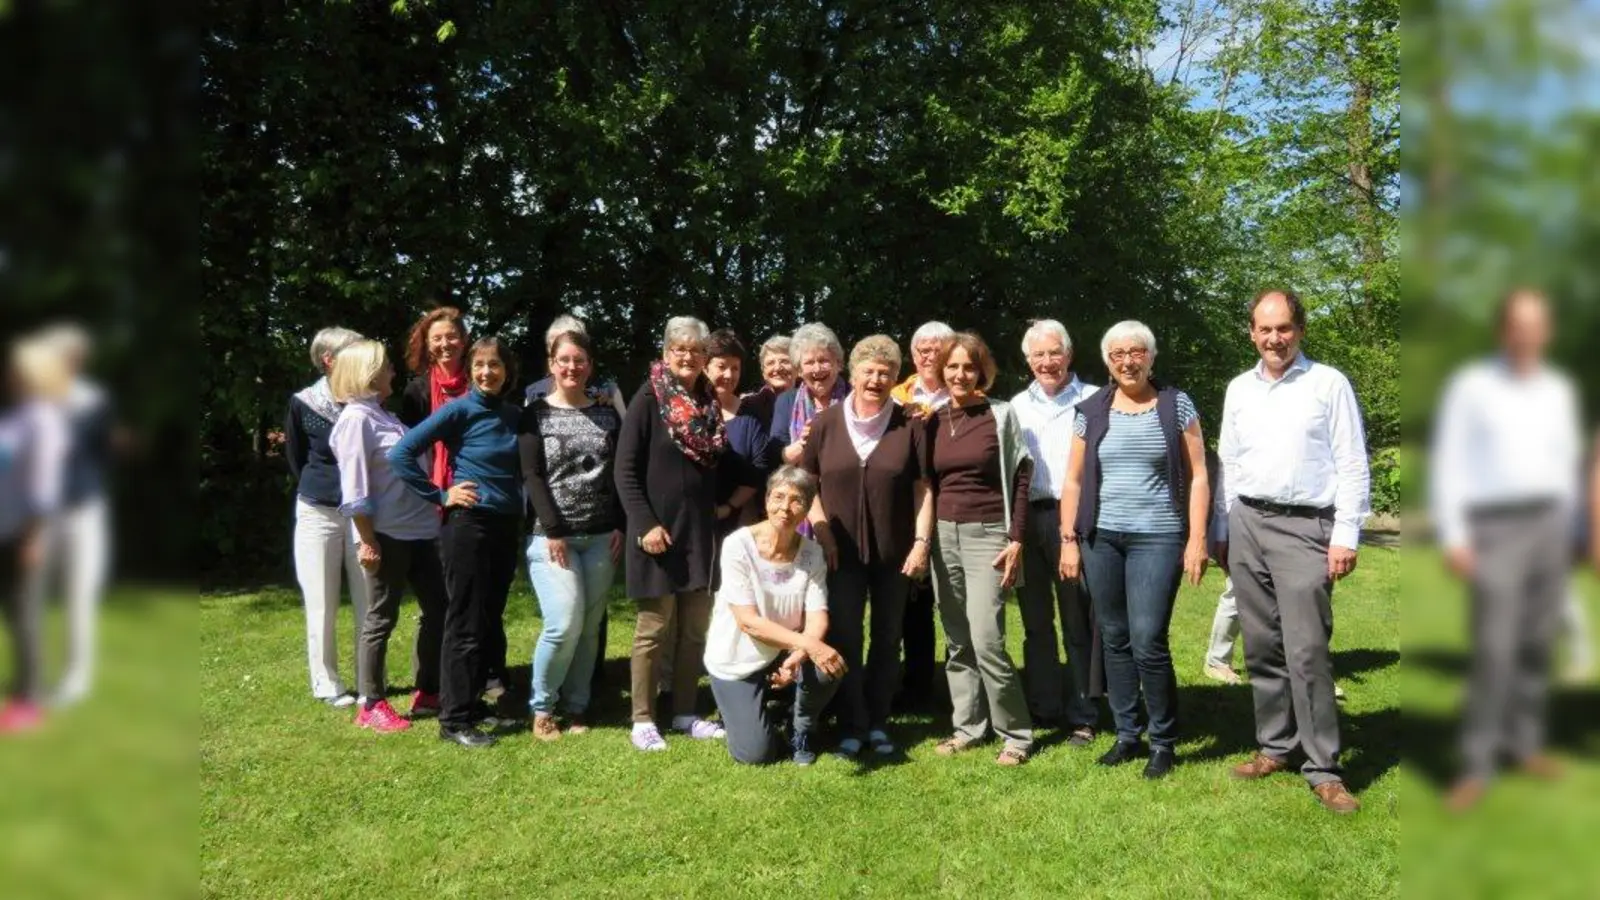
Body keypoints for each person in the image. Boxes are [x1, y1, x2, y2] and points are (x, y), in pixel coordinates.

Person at [1219, 289, 1369, 815]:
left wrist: (1346, 533)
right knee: (1260, 646)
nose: (1274, 338)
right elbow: (1229, 461)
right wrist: (1227, 525)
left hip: (1308, 527)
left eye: (1283, 328)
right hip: (1248, 524)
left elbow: (1352, 461)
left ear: (1300, 330)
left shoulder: (1328, 384)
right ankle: (1275, 746)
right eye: (1265, 329)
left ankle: (1323, 766)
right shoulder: (1239, 388)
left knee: (1307, 650)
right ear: (1251, 332)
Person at [1429, 288, 1577, 812]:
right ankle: (1476, 764)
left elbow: (1565, 463)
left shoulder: (1557, 389)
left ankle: (1525, 744)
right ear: (1504, 330)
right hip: (1495, 528)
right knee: (1494, 650)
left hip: (1550, 524)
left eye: (1539, 325)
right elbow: (1450, 461)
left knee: (1537, 646)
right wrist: (1454, 534)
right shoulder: (1474, 386)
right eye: (1521, 324)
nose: (1529, 334)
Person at [1058, 321, 1210, 780]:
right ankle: (1128, 735)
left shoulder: (1175, 405)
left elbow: (1199, 474)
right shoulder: (1091, 410)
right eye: (1119, 353)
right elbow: (1073, 479)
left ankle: (1163, 741)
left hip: (1158, 538)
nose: (1128, 360)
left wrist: (1197, 538)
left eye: (1137, 352)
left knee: (1147, 639)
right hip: (1101, 538)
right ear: (1107, 361)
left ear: (1151, 357)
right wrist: (1069, 539)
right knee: (1113, 636)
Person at [391, 336, 524, 749]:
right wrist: (441, 494)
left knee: (488, 617)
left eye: (495, 365)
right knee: (464, 621)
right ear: (470, 370)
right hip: (468, 524)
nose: (488, 372)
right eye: (480, 365)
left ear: (507, 371)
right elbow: (402, 453)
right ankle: (453, 721)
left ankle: (469, 703)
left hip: (505, 526)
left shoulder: (513, 415)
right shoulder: (458, 409)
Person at [802, 335, 932, 757]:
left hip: (895, 553)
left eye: (885, 372)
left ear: (896, 378)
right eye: (868, 370)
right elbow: (808, 485)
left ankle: (878, 721)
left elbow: (923, 489)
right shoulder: (824, 424)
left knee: (887, 636)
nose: (876, 379)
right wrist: (821, 531)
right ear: (852, 373)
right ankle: (851, 722)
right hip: (840, 552)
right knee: (846, 636)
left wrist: (921, 543)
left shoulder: (910, 423)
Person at [921, 332, 1035, 766]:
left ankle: (1016, 735)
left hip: (989, 534)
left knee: (988, 639)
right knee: (957, 640)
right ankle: (968, 727)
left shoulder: (1000, 415)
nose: (960, 374)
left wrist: (1016, 538)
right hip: (943, 535)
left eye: (969, 366)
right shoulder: (931, 420)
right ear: (941, 371)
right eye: (952, 366)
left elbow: (1023, 476)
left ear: (981, 371)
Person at [615, 316, 728, 751]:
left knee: (694, 631)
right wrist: (644, 524)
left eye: (696, 350)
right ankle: (642, 719)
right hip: (656, 534)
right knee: (653, 629)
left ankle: (684, 712)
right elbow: (625, 472)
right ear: (665, 353)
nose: (688, 356)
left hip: (699, 533)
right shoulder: (648, 398)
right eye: (679, 349)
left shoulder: (708, 401)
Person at [328, 340, 448, 733]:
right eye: (386, 367)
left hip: (421, 530)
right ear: (367, 373)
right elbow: (355, 488)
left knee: (438, 609)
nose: (393, 373)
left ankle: (428, 689)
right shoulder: (355, 421)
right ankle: (372, 703)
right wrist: (366, 539)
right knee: (381, 617)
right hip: (386, 534)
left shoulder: (383, 416)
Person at [519, 329, 624, 741]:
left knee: (590, 625)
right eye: (563, 360)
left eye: (579, 360)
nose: (571, 367)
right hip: (551, 538)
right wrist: (555, 530)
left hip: (601, 536)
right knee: (563, 622)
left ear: (590, 366)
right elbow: (532, 475)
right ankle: (542, 707)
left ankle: (577, 705)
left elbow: (618, 474)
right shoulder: (535, 415)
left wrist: (621, 524)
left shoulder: (606, 413)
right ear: (551, 364)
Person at [704, 467, 846, 765]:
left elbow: (817, 617)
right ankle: (747, 710)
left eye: (796, 501)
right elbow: (748, 623)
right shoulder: (738, 546)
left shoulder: (812, 554)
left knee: (828, 665)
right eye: (778, 496)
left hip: (784, 653)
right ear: (766, 499)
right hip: (736, 658)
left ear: (807, 509)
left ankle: (801, 729)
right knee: (756, 754)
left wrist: (800, 653)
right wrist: (807, 645)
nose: (785, 507)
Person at [1008, 319, 1101, 744]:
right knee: (1035, 621)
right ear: (1028, 360)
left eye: (1054, 353)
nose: (1047, 362)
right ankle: (1044, 705)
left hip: (1075, 520)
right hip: (1028, 519)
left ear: (1069, 354)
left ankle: (1083, 710)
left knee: (1077, 618)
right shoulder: (1015, 406)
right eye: (1038, 355)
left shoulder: (1095, 399)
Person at [24, 324, 113, 707]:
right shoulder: (35, 403)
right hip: (42, 513)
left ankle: (76, 679)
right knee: (32, 595)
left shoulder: (94, 400)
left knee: (80, 595)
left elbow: (97, 455)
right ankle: (33, 676)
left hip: (84, 510)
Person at [284, 326, 369, 707]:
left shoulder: (368, 399)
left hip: (363, 514)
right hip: (318, 511)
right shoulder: (303, 403)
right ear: (329, 360)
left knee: (370, 598)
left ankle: (371, 681)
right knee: (321, 601)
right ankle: (327, 683)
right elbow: (296, 459)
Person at [0, 338, 65, 733]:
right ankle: (22, 688)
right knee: (13, 612)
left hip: (26, 532)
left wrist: (33, 537)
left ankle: (30, 700)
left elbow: (43, 485)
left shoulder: (42, 419)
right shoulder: (16, 417)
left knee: (24, 613)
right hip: (6, 529)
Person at [890, 320, 956, 708]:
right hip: (909, 510)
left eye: (938, 349)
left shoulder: (967, 394)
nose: (930, 356)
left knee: (953, 603)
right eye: (923, 350)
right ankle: (914, 685)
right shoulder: (895, 398)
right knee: (911, 604)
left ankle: (957, 689)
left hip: (954, 507)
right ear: (913, 355)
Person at [706, 330, 772, 531]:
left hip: (740, 523)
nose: (729, 375)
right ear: (704, 368)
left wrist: (728, 507)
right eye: (721, 366)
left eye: (735, 368)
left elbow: (759, 470)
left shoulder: (751, 417)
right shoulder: (687, 413)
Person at [771, 323, 848, 469]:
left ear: (838, 364)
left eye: (824, 361)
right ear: (799, 370)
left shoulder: (853, 396)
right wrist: (803, 442)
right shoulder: (786, 401)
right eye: (809, 362)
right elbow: (778, 457)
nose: (817, 369)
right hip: (802, 486)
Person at [523, 313, 628, 416]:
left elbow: (626, 430)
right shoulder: (534, 393)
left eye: (573, 343)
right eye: (556, 345)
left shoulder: (609, 392)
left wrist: (612, 410)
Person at [737, 334, 794, 432]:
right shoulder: (749, 406)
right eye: (771, 363)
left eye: (784, 361)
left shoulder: (814, 401)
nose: (777, 368)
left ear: (797, 367)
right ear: (763, 372)